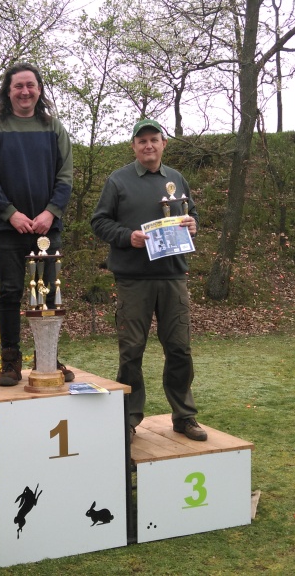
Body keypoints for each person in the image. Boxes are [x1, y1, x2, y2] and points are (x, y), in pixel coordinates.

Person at [90, 119, 207, 442]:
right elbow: (99, 222)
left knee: (180, 349)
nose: (148, 146)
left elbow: (192, 214)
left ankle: (184, 416)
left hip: (172, 277)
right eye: (141, 141)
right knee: (131, 352)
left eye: (154, 140)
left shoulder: (176, 179)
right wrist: (128, 237)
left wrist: (194, 225)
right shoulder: (118, 180)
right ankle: (128, 418)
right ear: (134, 146)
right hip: (133, 279)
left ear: (163, 144)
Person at [0, 62, 75, 386]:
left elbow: (65, 175)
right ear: (8, 91)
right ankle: (10, 361)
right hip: (8, 228)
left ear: (39, 90)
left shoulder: (53, 127)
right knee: (10, 292)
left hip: (47, 228)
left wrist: (51, 212)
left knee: (49, 293)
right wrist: (10, 213)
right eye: (18, 86)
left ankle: (48, 358)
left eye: (30, 85)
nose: (25, 91)